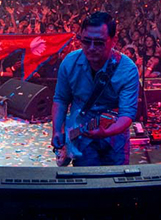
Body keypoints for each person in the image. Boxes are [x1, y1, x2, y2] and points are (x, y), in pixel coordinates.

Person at [51, 12, 141, 166]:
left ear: (114, 41)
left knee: (115, 183)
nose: (91, 48)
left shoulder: (128, 69)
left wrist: (106, 132)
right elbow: (61, 99)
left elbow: (127, 114)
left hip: (115, 139)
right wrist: (57, 130)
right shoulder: (69, 63)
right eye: (86, 41)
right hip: (80, 135)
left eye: (99, 43)